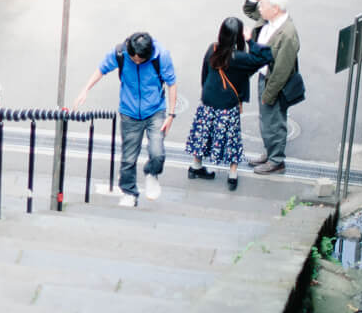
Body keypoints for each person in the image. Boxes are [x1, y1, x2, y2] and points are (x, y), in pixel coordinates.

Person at [73, 31, 178, 208]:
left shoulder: (161, 56)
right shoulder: (121, 53)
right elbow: (102, 69)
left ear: (149, 54)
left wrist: (171, 115)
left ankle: (151, 173)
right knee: (128, 158)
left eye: (140, 60)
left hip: (155, 111)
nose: (136, 61)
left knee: (157, 152)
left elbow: (171, 83)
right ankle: (129, 192)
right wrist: (86, 89)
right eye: (133, 59)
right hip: (129, 112)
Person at [186, 17, 273, 191]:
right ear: (238, 37)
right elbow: (266, 57)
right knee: (231, 138)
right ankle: (232, 175)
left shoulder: (213, 48)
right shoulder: (240, 58)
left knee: (204, 133)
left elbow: (204, 74)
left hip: (209, 100)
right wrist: (250, 40)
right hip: (227, 104)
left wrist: (207, 92)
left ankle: (196, 167)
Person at [244, 0, 300, 174]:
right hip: (264, 76)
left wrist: (268, 94)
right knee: (266, 120)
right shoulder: (269, 20)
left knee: (274, 122)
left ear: (275, 8)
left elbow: (281, 72)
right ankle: (270, 154)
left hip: (273, 84)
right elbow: (248, 9)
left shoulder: (287, 34)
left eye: (263, 5)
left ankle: (276, 160)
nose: (259, 8)